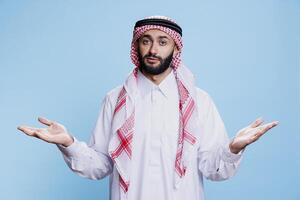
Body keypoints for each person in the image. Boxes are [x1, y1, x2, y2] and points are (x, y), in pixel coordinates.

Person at [18, 16, 279, 200]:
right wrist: (68, 143)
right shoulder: (115, 99)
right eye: (146, 41)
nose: (153, 49)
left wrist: (233, 148)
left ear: (175, 47)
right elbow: (99, 166)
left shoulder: (199, 102)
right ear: (136, 46)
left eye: (162, 42)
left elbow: (213, 169)